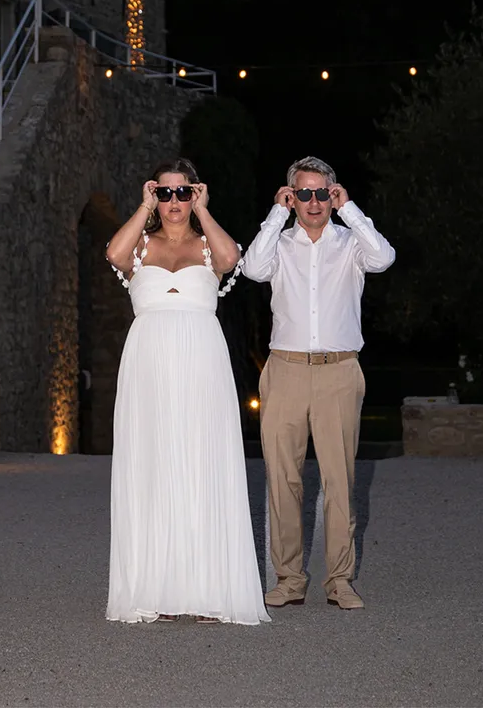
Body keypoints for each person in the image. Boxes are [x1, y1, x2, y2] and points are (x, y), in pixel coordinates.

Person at [104, 156, 269, 626]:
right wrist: (142, 207)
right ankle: (153, 588)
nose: (174, 201)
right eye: (166, 192)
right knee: (151, 466)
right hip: (148, 367)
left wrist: (204, 211)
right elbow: (114, 254)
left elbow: (231, 260)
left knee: (202, 464)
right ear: (155, 195)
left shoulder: (206, 246)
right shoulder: (139, 246)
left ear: (195, 193)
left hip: (202, 364)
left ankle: (207, 591)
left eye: (183, 192)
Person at [238, 156, 395, 612]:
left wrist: (351, 210)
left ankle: (340, 580)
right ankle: (289, 579)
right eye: (303, 193)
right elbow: (251, 269)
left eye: (320, 193)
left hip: (338, 371)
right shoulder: (279, 243)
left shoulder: (351, 243)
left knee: (339, 480)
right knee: (283, 478)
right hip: (285, 370)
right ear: (292, 196)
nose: (312, 201)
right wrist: (275, 214)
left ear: (333, 194)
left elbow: (384, 258)